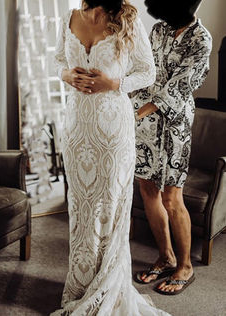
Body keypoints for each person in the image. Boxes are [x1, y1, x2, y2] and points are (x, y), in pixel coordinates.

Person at [51, 1, 170, 315]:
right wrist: (67, 76)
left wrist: (115, 83)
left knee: (111, 206)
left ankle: (106, 283)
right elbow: (56, 60)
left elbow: (148, 72)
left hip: (113, 129)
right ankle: (80, 284)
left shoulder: (127, 20)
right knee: (80, 207)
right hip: (77, 128)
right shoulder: (70, 18)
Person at [132, 0, 212, 295]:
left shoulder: (200, 38)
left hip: (174, 126)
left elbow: (181, 86)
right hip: (143, 125)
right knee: (147, 190)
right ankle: (165, 257)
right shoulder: (158, 30)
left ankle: (185, 266)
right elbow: (145, 71)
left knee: (171, 198)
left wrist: (139, 111)